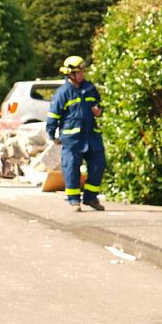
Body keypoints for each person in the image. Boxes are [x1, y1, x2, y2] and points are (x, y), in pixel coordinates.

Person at [46, 56, 106, 211]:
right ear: (70, 74)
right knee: (71, 168)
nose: (82, 75)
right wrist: (52, 134)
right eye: (79, 72)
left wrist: (98, 111)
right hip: (72, 139)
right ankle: (73, 200)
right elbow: (53, 115)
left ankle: (91, 198)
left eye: (83, 72)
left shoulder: (90, 88)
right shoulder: (63, 93)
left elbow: (98, 105)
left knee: (98, 165)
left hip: (91, 137)